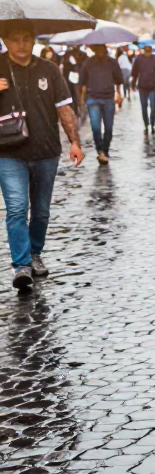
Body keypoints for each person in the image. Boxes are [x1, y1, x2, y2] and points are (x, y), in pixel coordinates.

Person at [0, 20, 84, 290]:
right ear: (6, 40)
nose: (21, 44)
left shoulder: (49, 69)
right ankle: (21, 265)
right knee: (16, 209)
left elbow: (65, 108)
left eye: (26, 38)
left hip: (46, 150)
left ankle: (35, 253)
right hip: (8, 151)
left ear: (34, 40)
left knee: (41, 212)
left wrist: (75, 141)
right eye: (15, 39)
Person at [80, 44, 124, 165]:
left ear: (105, 50)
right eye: (97, 49)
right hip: (92, 98)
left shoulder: (112, 63)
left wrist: (119, 95)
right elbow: (83, 82)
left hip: (108, 98)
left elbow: (119, 80)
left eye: (101, 49)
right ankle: (100, 151)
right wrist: (82, 99)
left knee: (109, 128)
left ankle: (105, 150)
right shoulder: (88, 63)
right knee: (95, 127)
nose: (99, 51)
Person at [131, 44, 155, 134]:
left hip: (153, 86)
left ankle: (152, 124)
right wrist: (133, 84)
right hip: (143, 86)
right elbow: (135, 72)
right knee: (144, 106)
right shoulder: (139, 58)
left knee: (153, 106)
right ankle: (146, 124)